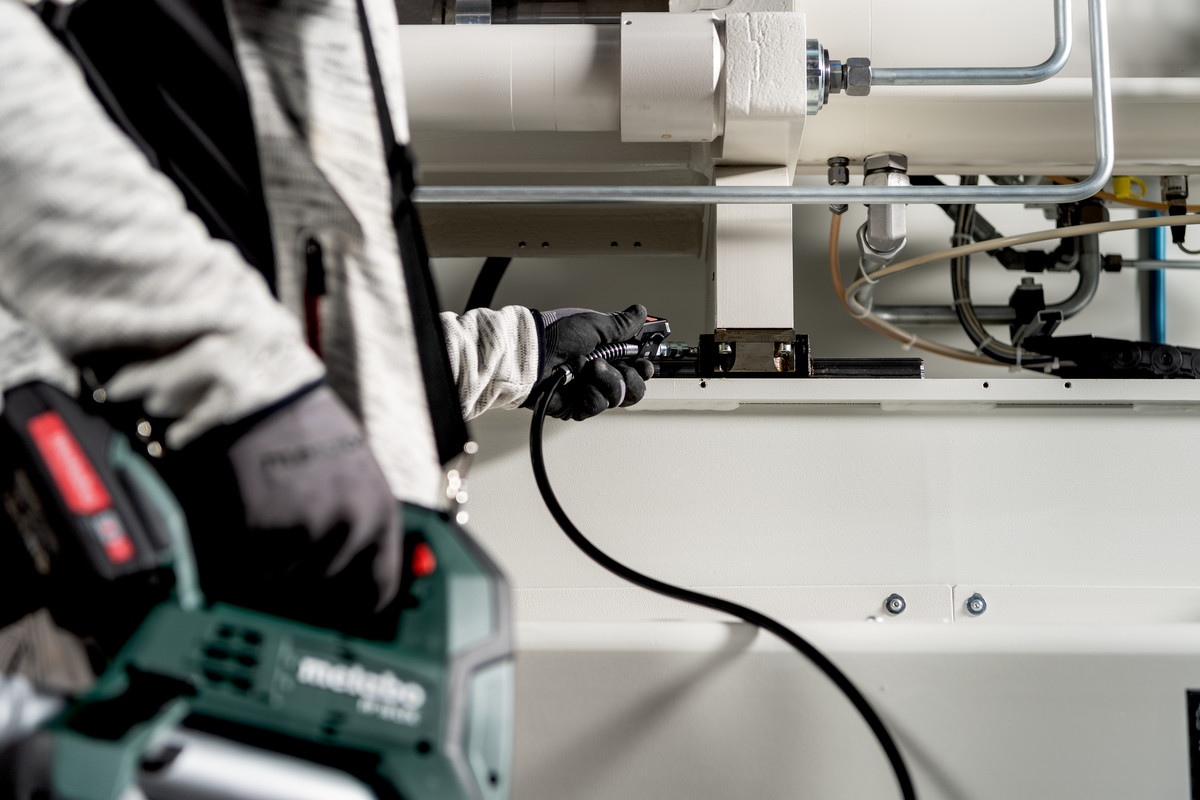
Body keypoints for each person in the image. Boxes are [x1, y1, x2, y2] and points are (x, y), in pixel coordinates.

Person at [0, 0, 654, 647]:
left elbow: (312, 298)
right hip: (78, 572)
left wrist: (517, 354)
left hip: (261, 597)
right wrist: (254, 398)